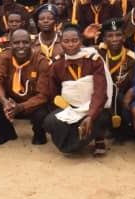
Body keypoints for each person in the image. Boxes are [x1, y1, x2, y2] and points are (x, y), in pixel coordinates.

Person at [42, 23, 111, 156]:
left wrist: (90, 116)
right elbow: (53, 92)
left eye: (75, 41)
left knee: (101, 117)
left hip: (92, 107)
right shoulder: (57, 64)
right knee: (50, 122)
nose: (70, 45)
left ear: (81, 41)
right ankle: (73, 141)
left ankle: (99, 138)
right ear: (61, 43)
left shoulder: (93, 60)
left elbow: (100, 92)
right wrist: (61, 107)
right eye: (66, 41)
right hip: (71, 108)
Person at [0, 29, 51, 145]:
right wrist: (4, 101)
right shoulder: (5, 57)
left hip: (31, 103)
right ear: (10, 44)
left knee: (42, 111)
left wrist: (21, 107)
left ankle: (39, 134)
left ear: (31, 43)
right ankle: (6, 133)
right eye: (16, 43)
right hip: (10, 102)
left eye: (25, 42)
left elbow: (43, 95)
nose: (21, 46)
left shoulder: (41, 61)